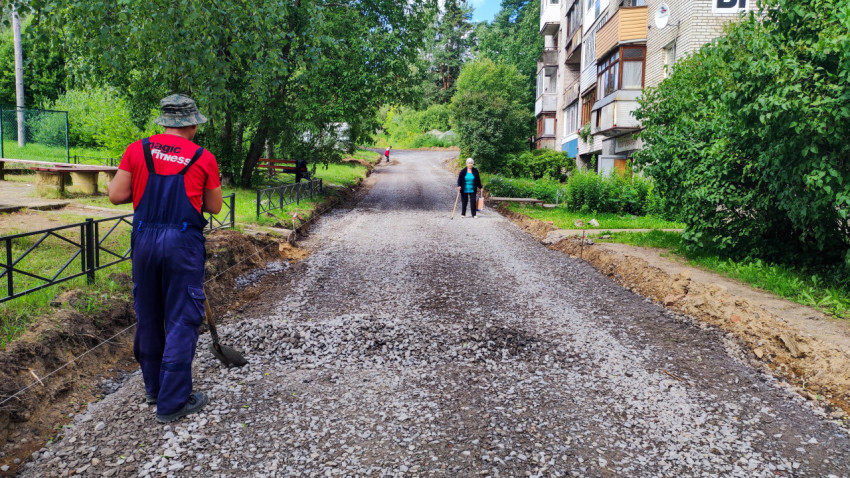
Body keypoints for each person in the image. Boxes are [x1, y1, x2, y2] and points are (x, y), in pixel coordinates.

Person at [107, 94, 223, 423]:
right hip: (182, 242)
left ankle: (154, 388)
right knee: (182, 318)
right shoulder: (203, 157)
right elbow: (214, 207)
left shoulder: (137, 150)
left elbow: (116, 195)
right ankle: (172, 403)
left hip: (144, 239)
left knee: (149, 315)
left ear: (164, 122)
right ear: (191, 124)